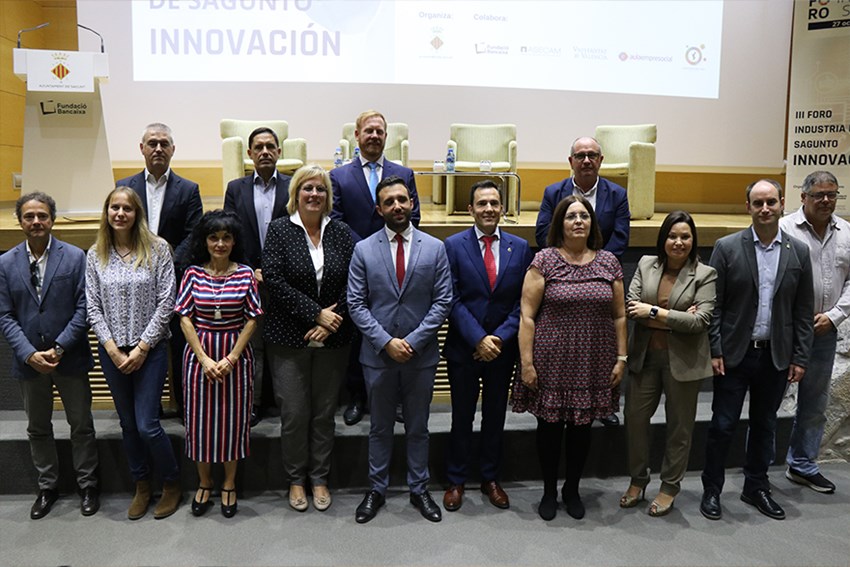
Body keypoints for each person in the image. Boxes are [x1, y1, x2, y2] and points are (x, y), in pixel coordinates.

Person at [700, 179, 814, 522]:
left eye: (771, 202)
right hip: (734, 354)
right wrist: (715, 348)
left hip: (775, 356)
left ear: (782, 204)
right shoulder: (726, 247)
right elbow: (715, 305)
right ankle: (712, 489)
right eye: (758, 203)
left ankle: (756, 486)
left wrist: (800, 356)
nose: (765, 208)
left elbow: (802, 311)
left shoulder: (799, 252)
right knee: (722, 425)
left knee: (765, 425)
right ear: (747, 206)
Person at [513, 195, 627, 521]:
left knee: (581, 431)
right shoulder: (544, 261)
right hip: (551, 360)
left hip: (593, 360)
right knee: (549, 430)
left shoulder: (609, 262)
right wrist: (527, 363)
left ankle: (572, 489)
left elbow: (619, 315)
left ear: (592, 223)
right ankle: (549, 491)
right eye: (571, 216)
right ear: (560, 224)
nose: (578, 221)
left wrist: (622, 358)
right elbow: (527, 315)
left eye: (584, 216)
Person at [347, 176, 452, 524]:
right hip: (378, 357)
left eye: (402, 199)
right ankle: (376, 488)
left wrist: (414, 341)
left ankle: (419, 488)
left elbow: (443, 301)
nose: (397, 206)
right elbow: (356, 304)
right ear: (379, 209)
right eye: (389, 201)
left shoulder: (435, 248)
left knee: (418, 427)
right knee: (379, 427)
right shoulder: (363, 249)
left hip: (421, 357)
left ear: (412, 203)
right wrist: (386, 342)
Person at [262, 164, 356, 512]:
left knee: (324, 414)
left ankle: (319, 477)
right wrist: (316, 314)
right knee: (295, 414)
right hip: (289, 338)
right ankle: (296, 479)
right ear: (296, 194)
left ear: (328, 196)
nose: (314, 194)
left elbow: (356, 280)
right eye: (308, 188)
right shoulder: (279, 230)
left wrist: (331, 321)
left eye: (320, 189)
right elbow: (274, 280)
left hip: (334, 338)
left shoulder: (342, 232)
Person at [0, 192, 99, 519]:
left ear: (52, 219)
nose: (36, 222)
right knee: (38, 428)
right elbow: (5, 315)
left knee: (81, 425)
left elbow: (85, 308)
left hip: (68, 357)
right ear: (20, 221)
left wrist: (59, 347)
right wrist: (29, 354)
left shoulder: (75, 257)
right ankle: (48, 487)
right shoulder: (5, 263)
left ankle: (88, 485)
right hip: (29, 363)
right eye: (29, 216)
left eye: (42, 215)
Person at [86, 186, 181, 520]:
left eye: (127, 208)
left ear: (137, 213)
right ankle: (142, 485)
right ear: (107, 212)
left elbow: (167, 301)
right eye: (114, 207)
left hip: (149, 350)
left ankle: (171, 483)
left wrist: (141, 348)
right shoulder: (96, 253)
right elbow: (92, 306)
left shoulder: (158, 249)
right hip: (112, 352)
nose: (120, 213)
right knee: (128, 424)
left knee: (147, 425)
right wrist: (112, 349)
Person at [442, 180, 532, 512]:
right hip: (464, 348)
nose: (489, 209)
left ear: (502, 208)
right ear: (471, 210)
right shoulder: (453, 246)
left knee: (495, 416)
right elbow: (450, 298)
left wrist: (498, 338)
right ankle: (456, 479)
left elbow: (523, 302)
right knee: (461, 416)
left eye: (494, 203)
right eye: (482, 203)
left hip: (502, 350)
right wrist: (479, 338)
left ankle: (490, 478)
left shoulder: (519, 248)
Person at [620, 211, 717, 517]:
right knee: (634, 420)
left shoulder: (705, 274)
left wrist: (653, 312)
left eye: (685, 237)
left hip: (684, 362)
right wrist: (677, 318)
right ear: (663, 239)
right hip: (645, 358)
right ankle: (638, 479)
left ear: (693, 240)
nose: (678, 242)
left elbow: (700, 321)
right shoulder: (646, 264)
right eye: (673, 236)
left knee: (679, 428)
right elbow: (631, 306)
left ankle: (669, 487)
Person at [330, 110, 421, 426]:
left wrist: (385, 248)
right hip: (355, 265)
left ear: (386, 136)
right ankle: (357, 396)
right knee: (358, 332)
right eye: (368, 131)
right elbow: (336, 221)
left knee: (394, 328)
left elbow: (414, 217)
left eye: (379, 131)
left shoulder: (404, 173)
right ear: (356, 135)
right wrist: (369, 250)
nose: (374, 136)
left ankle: (393, 398)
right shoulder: (338, 176)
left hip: (396, 266)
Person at [535, 136, 629, 428]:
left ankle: (599, 404)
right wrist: (566, 260)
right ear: (571, 161)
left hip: (601, 277)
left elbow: (621, 238)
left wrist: (594, 265)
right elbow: (543, 232)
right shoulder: (554, 192)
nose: (586, 160)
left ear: (601, 160)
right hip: (560, 274)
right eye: (580, 155)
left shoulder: (618, 194)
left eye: (592, 155)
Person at [175, 210, 262, 518]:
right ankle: (204, 481)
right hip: (199, 357)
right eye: (214, 237)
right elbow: (184, 318)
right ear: (205, 241)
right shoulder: (192, 274)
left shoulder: (246, 274)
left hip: (235, 357)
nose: (220, 244)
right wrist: (203, 357)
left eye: (226, 237)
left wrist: (232, 357)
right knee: (199, 423)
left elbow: (252, 319)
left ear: (234, 241)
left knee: (232, 423)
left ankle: (228, 483)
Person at [116, 123, 203, 418]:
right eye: (152, 143)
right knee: (141, 343)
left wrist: (165, 264)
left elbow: (193, 235)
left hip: (174, 279)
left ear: (173, 150)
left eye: (164, 143)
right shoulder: (125, 186)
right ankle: (147, 411)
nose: (158, 148)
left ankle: (184, 409)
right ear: (141, 148)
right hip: (133, 279)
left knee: (178, 346)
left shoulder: (189, 189)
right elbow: (119, 230)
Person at [779, 170, 849, 494]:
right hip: (784, 331)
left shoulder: (847, 232)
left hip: (824, 331)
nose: (826, 200)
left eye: (831, 194)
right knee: (767, 403)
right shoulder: (783, 228)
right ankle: (756, 472)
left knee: (815, 404)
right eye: (819, 194)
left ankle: (803, 465)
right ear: (803, 197)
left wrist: (835, 316)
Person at [224, 126, 292, 427]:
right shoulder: (235, 188)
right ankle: (252, 404)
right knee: (253, 344)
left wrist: (274, 270)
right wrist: (250, 269)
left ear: (279, 152)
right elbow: (228, 233)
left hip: (286, 278)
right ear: (250, 154)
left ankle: (286, 402)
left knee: (284, 344)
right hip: (247, 278)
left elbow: (298, 231)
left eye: (270, 146)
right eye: (259, 147)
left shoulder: (293, 186)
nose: (265, 152)